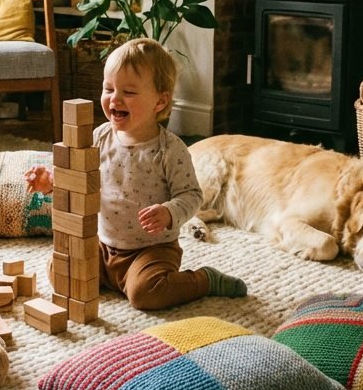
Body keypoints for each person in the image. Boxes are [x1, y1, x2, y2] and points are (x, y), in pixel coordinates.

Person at [26, 38, 247, 311]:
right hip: (103, 244)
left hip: (151, 251)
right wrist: (51, 183)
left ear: (160, 101)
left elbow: (191, 195)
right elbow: (78, 181)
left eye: (129, 92)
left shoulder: (170, 149)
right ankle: (112, 278)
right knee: (59, 270)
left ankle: (203, 280)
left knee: (146, 294)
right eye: (108, 88)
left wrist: (168, 212)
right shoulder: (98, 137)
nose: (115, 98)